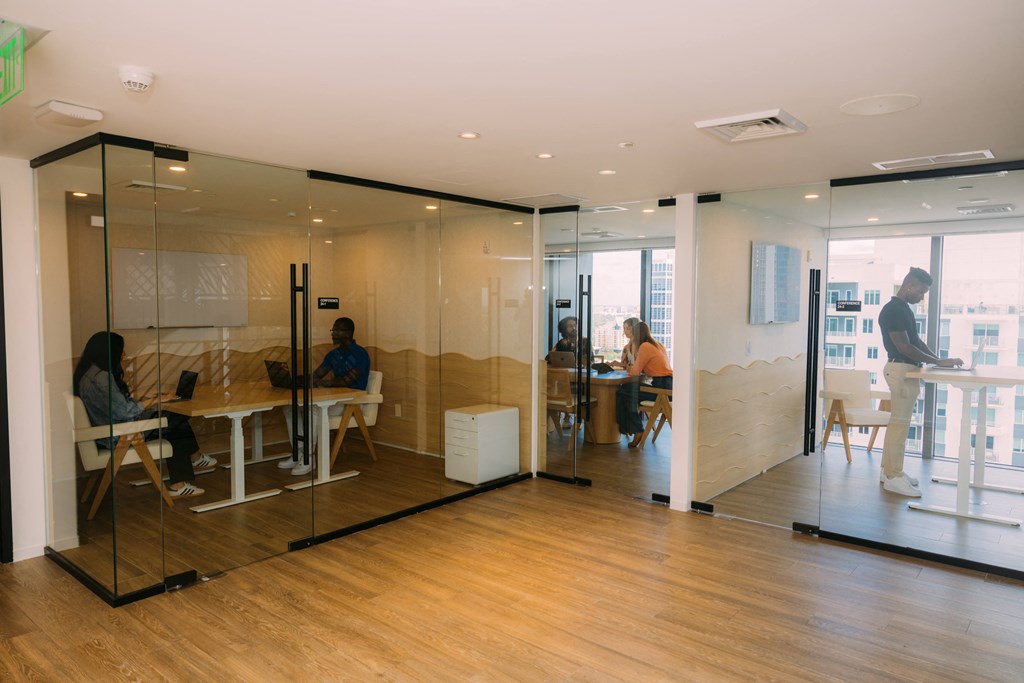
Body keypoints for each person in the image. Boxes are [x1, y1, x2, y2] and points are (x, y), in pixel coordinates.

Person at [73, 332, 213, 499]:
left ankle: (193, 461)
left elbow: (115, 406)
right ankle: (186, 472)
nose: (124, 354)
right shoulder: (101, 378)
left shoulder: (88, 374)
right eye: (121, 350)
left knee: (173, 420)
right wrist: (156, 400)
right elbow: (124, 411)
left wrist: (147, 399)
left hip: (110, 433)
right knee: (175, 420)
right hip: (119, 436)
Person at [878, 267, 963, 497]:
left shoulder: (903, 309)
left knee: (898, 425)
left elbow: (915, 342)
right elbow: (904, 347)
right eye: (921, 292)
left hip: (906, 370)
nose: (922, 297)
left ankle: (889, 472)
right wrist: (938, 361)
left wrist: (939, 360)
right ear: (910, 286)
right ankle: (893, 476)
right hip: (901, 370)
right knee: (899, 426)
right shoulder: (894, 310)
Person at [279, 316, 371, 475]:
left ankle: (308, 457)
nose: (333, 333)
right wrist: (293, 380)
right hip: (334, 399)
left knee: (313, 408)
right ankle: (299, 452)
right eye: (333, 330)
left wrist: (321, 383)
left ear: (348, 332)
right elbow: (316, 375)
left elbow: (347, 381)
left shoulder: (360, 354)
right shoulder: (333, 354)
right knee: (290, 407)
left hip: (351, 402)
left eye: (337, 330)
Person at [615, 322, 673, 448]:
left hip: (662, 391)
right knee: (627, 390)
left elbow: (634, 372)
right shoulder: (658, 344)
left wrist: (629, 368)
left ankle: (635, 430)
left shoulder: (645, 346)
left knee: (624, 391)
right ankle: (633, 429)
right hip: (670, 387)